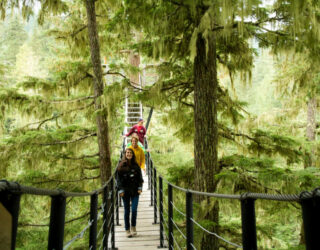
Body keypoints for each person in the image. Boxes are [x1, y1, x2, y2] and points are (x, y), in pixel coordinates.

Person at [116, 148, 144, 237]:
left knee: (134, 209)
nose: (129, 154)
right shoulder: (120, 166)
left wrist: (140, 188)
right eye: (127, 153)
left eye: (130, 153)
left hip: (135, 191)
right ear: (125, 154)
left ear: (132, 155)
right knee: (127, 210)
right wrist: (120, 190)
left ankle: (133, 227)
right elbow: (118, 179)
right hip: (125, 191)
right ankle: (127, 230)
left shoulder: (136, 166)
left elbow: (140, 178)